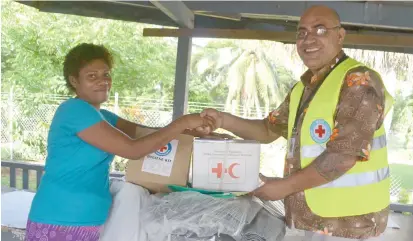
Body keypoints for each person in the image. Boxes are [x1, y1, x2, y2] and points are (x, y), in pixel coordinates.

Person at [196, 5, 393, 241]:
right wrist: (222, 120)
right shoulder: (304, 88)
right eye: (302, 32)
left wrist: (284, 187)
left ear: (340, 36)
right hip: (306, 220)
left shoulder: (359, 81)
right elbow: (268, 129)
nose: (308, 39)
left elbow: (343, 155)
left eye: (319, 30)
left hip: (349, 225)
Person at [25, 43, 216, 241]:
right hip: (61, 219)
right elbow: (132, 149)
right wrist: (182, 122)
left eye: (106, 74)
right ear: (74, 80)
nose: (103, 81)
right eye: (92, 76)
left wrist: (196, 134)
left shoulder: (102, 116)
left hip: (86, 221)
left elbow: (144, 133)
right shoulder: (74, 110)